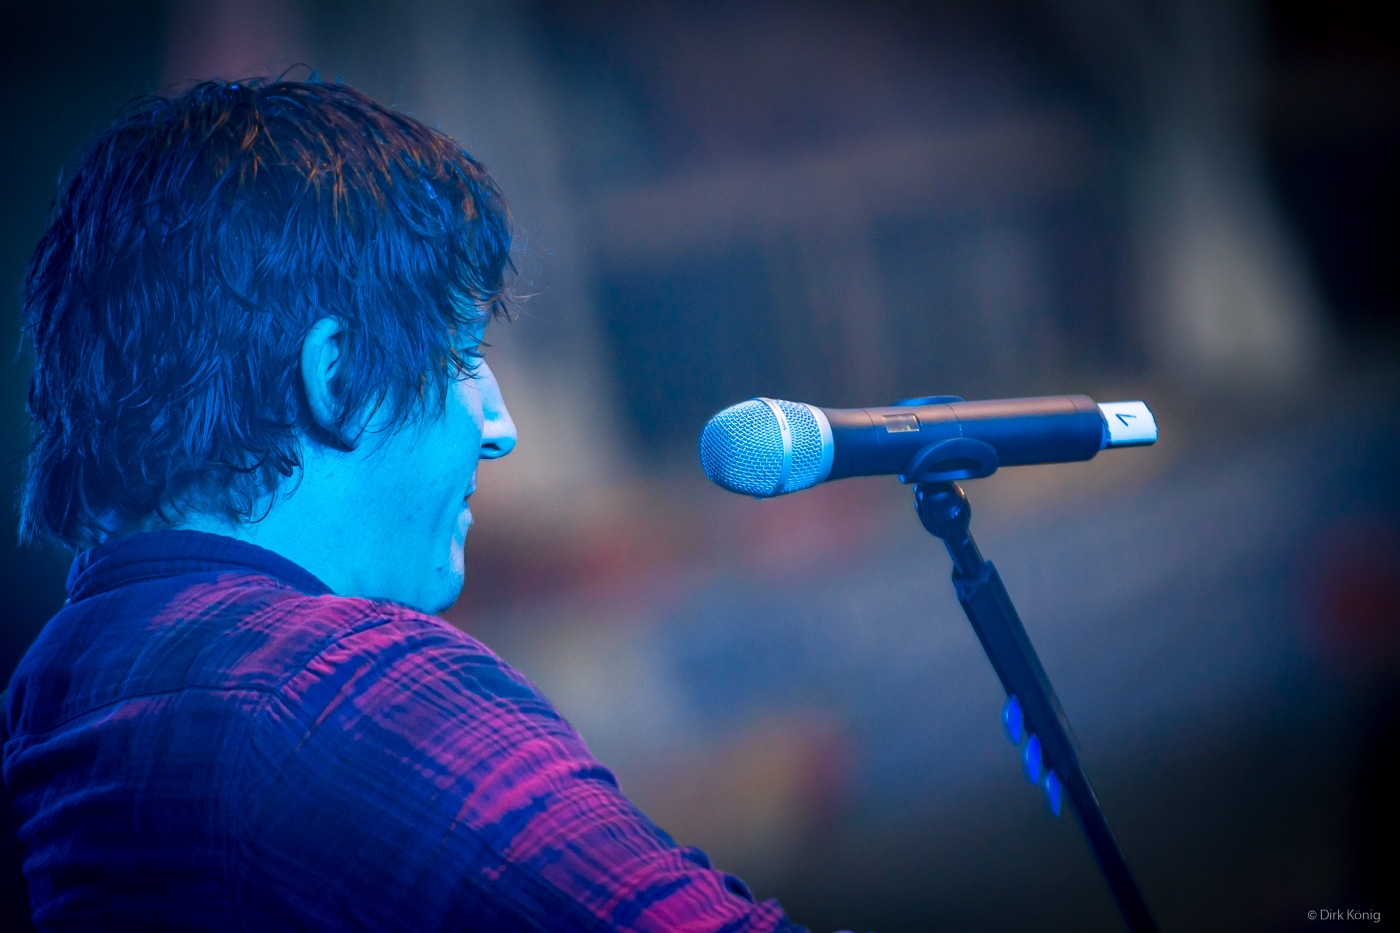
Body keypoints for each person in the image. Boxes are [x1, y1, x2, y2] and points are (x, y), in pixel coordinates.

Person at [2, 78, 804, 932]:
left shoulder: (56, 694)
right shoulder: (350, 685)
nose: (500, 429)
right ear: (338, 377)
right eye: (462, 357)